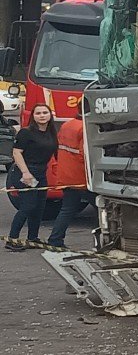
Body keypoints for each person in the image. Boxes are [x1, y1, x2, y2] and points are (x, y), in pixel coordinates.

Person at [6, 103, 57, 250]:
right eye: (38, 113)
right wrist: (26, 173)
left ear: (49, 115)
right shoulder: (26, 133)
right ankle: (12, 240)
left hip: (40, 173)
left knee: (39, 206)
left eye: (44, 113)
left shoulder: (51, 132)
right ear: (33, 116)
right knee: (28, 206)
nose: (42, 116)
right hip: (26, 173)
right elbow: (16, 153)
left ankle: (32, 238)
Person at [43, 114, 91, 252]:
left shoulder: (67, 124)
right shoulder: (84, 128)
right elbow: (85, 155)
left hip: (66, 175)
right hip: (80, 177)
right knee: (104, 207)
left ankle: (55, 239)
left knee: (68, 208)